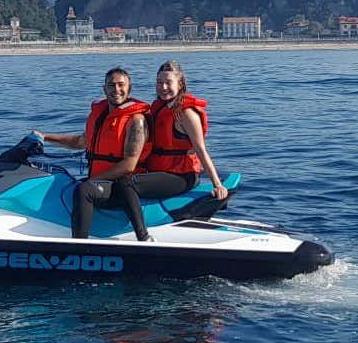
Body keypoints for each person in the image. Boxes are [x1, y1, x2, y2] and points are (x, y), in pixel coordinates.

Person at [111, 59, 227, 242]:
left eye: (168, 82)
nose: (163, 87)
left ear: (180, 84)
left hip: (181, 176)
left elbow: (201, 150)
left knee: (127, 183)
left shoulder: (186, 113)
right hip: (161, 170)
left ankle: (143, 237)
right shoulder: (159, 107)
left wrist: (217, 184)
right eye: (159, 82)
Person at [33, 67, 149, 239]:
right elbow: (81, 142)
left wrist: (92, 181)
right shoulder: (100, 116)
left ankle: (79, 244)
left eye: (121, 85)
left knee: (84, 190)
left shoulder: (136, 121)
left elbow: (129, 165)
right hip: (102, 181)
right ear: (104, 89)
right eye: (111, 85)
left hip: (123, 187)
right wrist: (45, 137)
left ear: (129, 88)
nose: (116, 90)